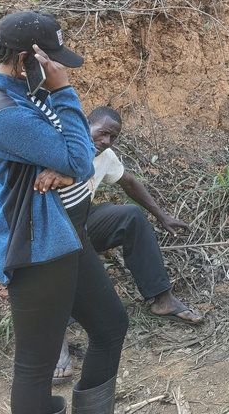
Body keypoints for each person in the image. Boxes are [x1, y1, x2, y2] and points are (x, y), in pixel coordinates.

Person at [0, 11, 127, 414]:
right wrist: (65, 91)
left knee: (111, 326)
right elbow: (80, 156)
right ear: (25, 59)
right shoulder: (5, 111)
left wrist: (62, 161)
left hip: (66, 233)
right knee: (36, 366)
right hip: (37, 245)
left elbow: (74, 149)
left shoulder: (26, 94)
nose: (56, 68)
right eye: (49, 60)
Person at [39, 106, 203, 382]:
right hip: (52, 227)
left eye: (112, 137)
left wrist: (162, 216)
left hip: (85, 220)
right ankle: (56, 342)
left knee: (131, 216)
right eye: (102, 133)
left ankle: (161, 298)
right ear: (84, 125)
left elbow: (128, 182)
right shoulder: (62, 144)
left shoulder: (105, 155)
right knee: (64, 255)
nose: (105, 142)